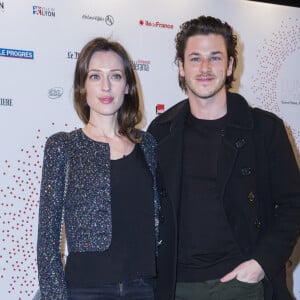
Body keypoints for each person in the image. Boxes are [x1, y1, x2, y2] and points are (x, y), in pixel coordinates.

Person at [148, 15, 300, 300]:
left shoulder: (265, 129)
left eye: (215, 57)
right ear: (181, 67)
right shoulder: (160, 131)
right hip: (177, 286)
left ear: (230, 65)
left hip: (243, 284)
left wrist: (260, 265)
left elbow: (293, 205)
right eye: (195, 58)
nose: (205, 68)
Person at [37, 37, 160, 300]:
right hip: (85, 288)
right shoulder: (64, 146)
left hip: (143, 287)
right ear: (83, 86)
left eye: (115, 76)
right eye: (95, 76)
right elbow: (47, 237)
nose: (105, 86)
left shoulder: (147, 145)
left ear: (127, 86)